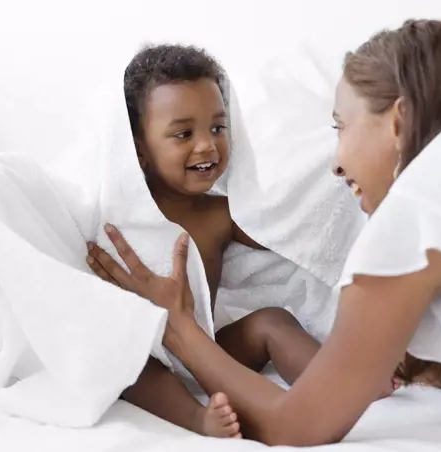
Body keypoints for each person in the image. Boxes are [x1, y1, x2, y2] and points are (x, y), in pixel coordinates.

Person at [86, 19, 441, 446]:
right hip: (151, 347)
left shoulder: (423, 213)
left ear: (399, 121)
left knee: (271, 324)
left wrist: (180, 326)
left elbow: (297, 426)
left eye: (340, 127)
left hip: (197, 335)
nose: (336, 165)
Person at [85, 44, 325, 439]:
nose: (207, 145)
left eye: (217, 127)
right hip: (151, 355)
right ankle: (198, 419)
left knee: (271, 321)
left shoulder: (221, 214)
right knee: (127, 367)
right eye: (183, 133)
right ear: (139, 151)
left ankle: (335, 381)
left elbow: (284, 236)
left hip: (210, 350)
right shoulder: (120, 217)